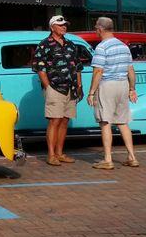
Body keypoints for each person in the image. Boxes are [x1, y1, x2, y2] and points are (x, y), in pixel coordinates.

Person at [87, 17, 139, 169]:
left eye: (96, 28)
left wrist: (91, 92)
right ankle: (132, 156)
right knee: (123, 122)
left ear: (100, 30)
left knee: (105, 122)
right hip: (122, 84)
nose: (96, 31)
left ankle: (108, 159)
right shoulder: (123, 46)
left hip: (107, 85)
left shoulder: (101, 47)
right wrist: (132, 88)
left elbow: (98, 71)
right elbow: (130, 69)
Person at [32, 15, 83, 166]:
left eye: (65, 25)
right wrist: (47, 86)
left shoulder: (71, 44)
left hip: (71, 88)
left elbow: (78, 66)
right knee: (54, 120)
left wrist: (79, 85)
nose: (64, 27)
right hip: (55, 87)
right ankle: (51, 155)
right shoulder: (45, 44)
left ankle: (60, 153)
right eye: (60, 25)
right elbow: (39, 68)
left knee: (65, 120)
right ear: (52, 27)